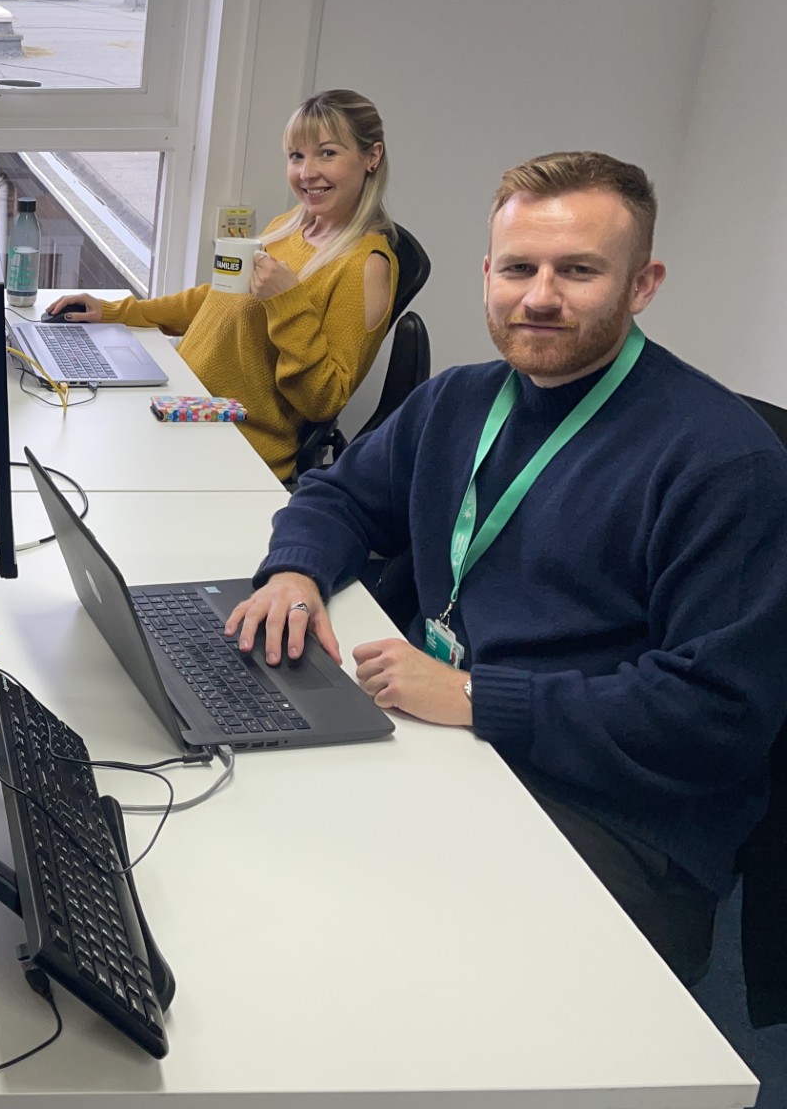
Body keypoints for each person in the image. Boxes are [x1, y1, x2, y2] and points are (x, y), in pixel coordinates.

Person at [226, 152, 787, 983]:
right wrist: (295, 573)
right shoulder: (460, 398)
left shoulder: (721, 462)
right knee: (244, 835)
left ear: (643, 283)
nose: (540, 297)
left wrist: (475, 696)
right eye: (519, 267)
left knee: (377, 958)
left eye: (579, 271)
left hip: (613, 810)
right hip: (443, 731)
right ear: (488, 271)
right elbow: (339, 497)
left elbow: (715, 715)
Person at [47, 89, 399, 480]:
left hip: (237, 445)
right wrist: (117, 312)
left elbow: (324, 399)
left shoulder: (367, 266)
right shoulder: (287, 227)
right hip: (181, 404)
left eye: (327, 153)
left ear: (372, 156)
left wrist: (286, 302)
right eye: (297, 155)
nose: (306, 172)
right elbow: (217, 300)